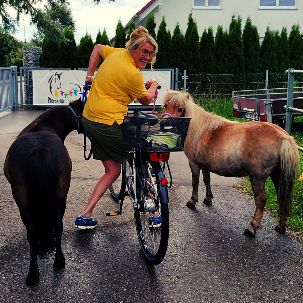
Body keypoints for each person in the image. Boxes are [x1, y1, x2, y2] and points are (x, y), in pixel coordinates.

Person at [75, 26, 160, 229]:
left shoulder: (116, 53)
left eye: (151, 53)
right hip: (107, 123)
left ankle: (85, 215)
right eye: (144, 52)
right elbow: (146, 100)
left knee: (112, 170)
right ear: (133, 49)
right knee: (137, 152)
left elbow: (96, 49)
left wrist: (90, 76)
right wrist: (154, 85)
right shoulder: (133, 74)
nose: (147, 57)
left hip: (89, 119)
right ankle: (154, 210)